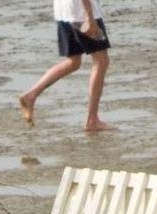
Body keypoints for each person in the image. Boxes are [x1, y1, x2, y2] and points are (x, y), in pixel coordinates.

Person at [20, 0, 111, 136]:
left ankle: (31, 95)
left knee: (73, 62)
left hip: (63, 11)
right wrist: (89, 17)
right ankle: (92, 120)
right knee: (101, 60)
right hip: (81, 14)